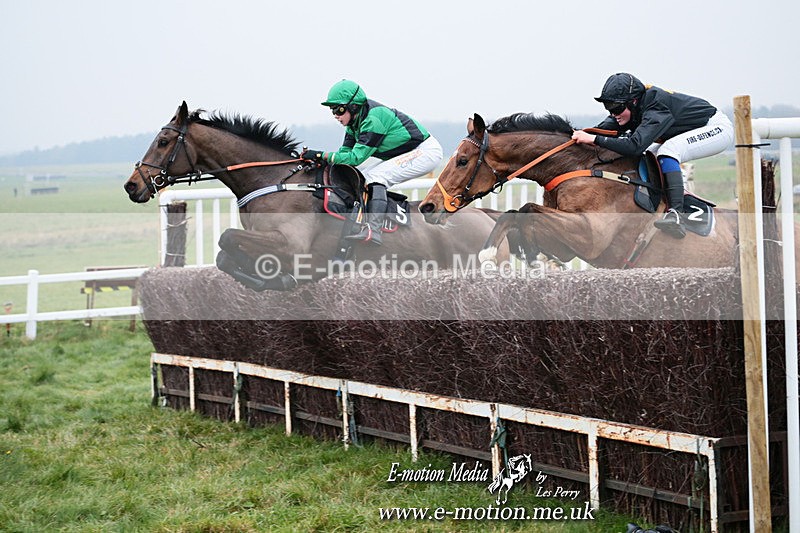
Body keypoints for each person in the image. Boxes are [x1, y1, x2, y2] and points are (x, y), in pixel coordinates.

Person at [571, 73, 734, 238]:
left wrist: (595, 139)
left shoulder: (656, 106)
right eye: (609, 108)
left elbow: (634, 146)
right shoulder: (633, 106)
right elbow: (606, 129)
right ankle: (664, 199)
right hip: (693, 129)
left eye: (617, 108)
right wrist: (581, 135)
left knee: (668, 151)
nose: (613, 114)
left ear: (633, 101)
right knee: (651, 153)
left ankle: (676, 213)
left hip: (716, 129)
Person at [302, 79, 443, 245]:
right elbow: (345, 156)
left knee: (376, 176)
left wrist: (320, 155)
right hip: (408, 151)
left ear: (353, 106)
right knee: (363, 176)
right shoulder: (353, 124)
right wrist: (321, 161)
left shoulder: (373, 120)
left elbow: (356, 158)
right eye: (332, 110)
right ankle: (362, 220)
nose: (335, 115)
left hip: (424, 151)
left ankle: (373, 229)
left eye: (338, 110)